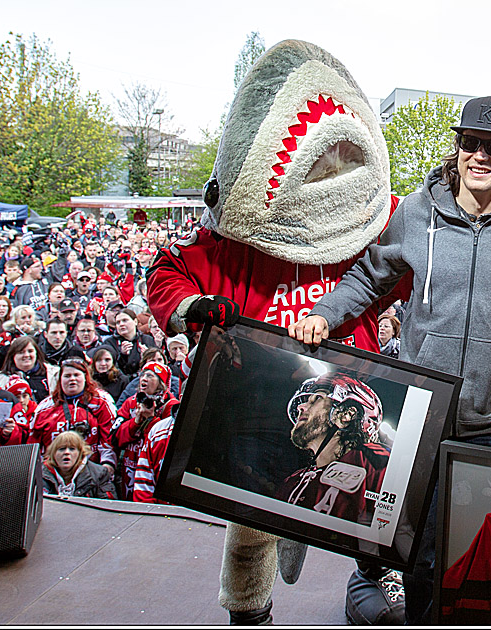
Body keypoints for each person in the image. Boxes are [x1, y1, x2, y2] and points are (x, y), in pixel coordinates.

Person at [147, 41, 402, 625]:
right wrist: (191, 307)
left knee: (375, 519)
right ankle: (249, 612)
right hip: (263, 408)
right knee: (250, 532)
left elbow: (419, 272)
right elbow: (167, 271)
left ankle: (374, 592)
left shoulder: (365, 229)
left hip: (347, 403)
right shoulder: (232, 241)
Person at [290, 95, 491, 624]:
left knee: (485, 560)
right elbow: (369, 275)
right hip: (425, 418)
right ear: (458, 146)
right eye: (471, 143)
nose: (481, 156)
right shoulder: (418, 211)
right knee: (419, 557)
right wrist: (325, 314)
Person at [277, 373, 389, 524]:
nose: (300, 407)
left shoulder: (376, 462)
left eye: (316, 399)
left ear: (346, 415)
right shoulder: (293, 481)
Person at [28, 356, 117, 473]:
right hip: (52, 472)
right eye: (67, 376)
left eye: (76, 375)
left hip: (91, 471)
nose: (72, 379)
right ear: (60, 379)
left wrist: (107, 465)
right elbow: (34, 444)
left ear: (85, 377)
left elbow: (109, 437)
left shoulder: (101, 401)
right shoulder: (44, 408)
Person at [112, 361, 178, 500]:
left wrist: (151, 420)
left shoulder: (171, 406)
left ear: (161, 383)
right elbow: (114, 438)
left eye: (150, 376)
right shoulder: (131, 402)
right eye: (143, 375)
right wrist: (135, 422)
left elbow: (166, 444)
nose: (144, 379)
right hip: (130, 467)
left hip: (152, 470)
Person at [41, 430, 117, 499]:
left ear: (80, 453)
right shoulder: (39, 473)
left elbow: (109, 505)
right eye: (62, 449)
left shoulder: (99, 474)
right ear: (53, 453)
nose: (66, 452)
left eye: (72, 449)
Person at [0, 335, 59, 405]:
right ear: (13, 355)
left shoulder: (55, 374)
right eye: (21, 352)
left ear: (37, 353)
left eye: (30, 351)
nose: (26, 355)